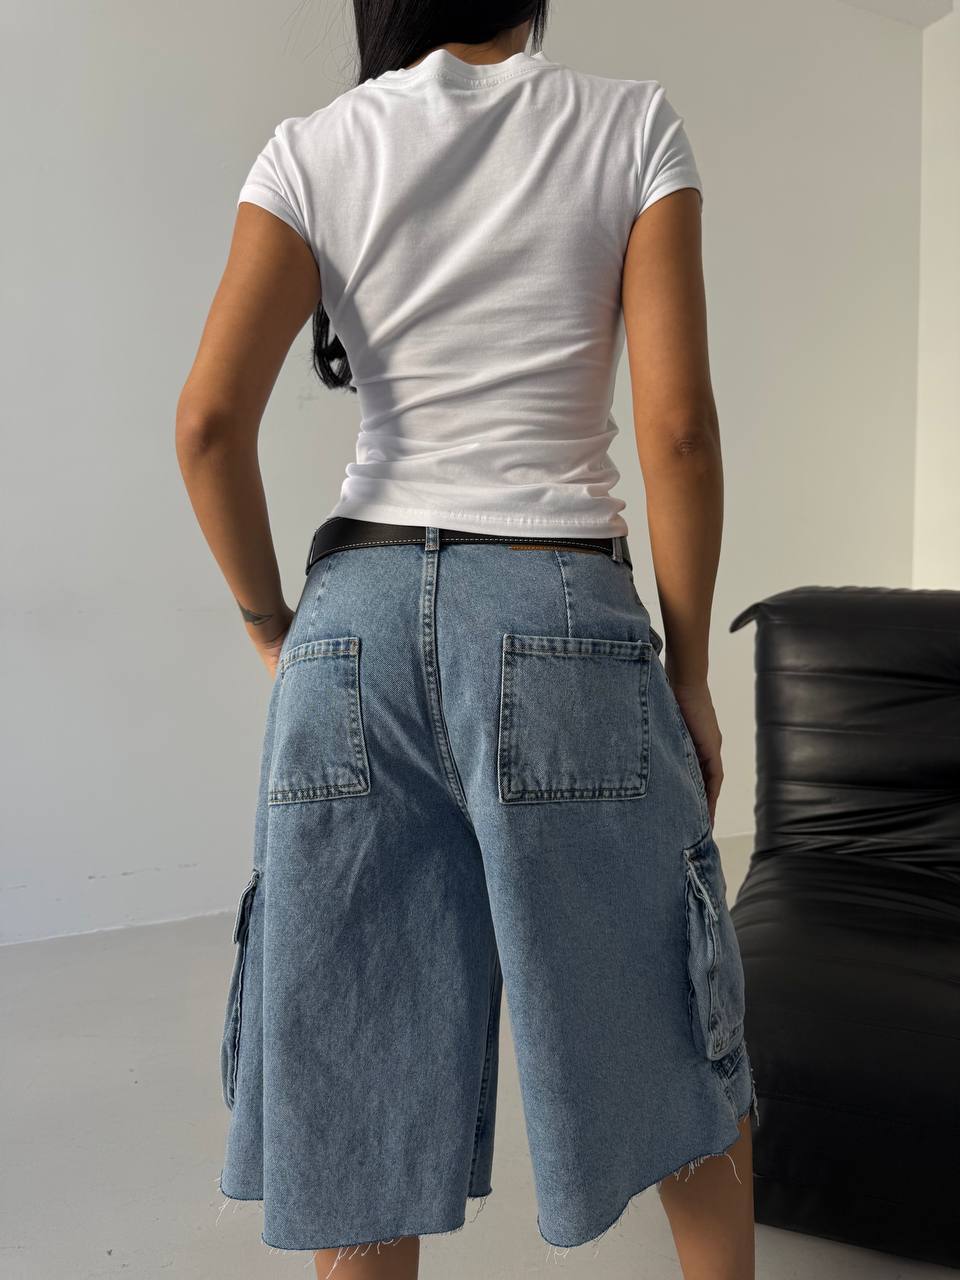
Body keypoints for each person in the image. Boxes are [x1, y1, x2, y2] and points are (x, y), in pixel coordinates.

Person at [175, 4, 759, 1277]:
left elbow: (208, 423)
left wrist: (275, 629)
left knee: (356, 1075)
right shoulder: (630, 125)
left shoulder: (312, 148)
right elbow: (678, 431)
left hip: (354, 625)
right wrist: (691, 672)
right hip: (562, 623)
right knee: (668, 1024)